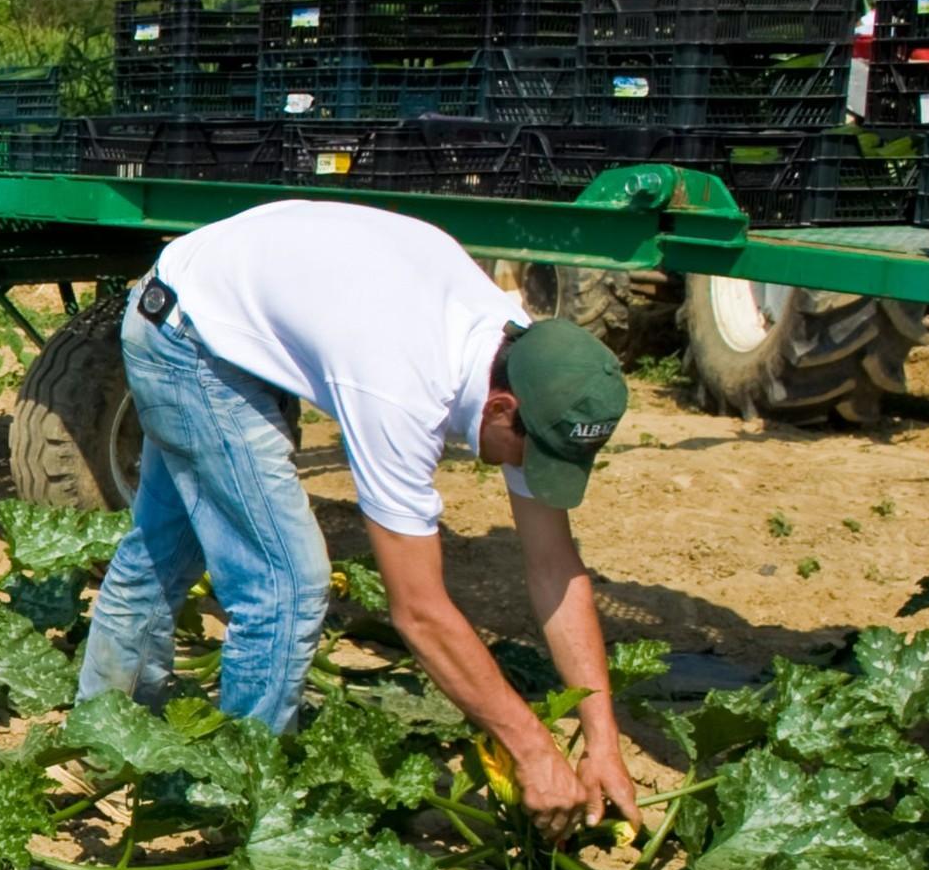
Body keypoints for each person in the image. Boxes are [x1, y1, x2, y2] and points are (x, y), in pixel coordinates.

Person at [73, 199, 642, 835]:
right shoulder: (403, 389)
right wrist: (534, 750)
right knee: (285, 585)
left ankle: (99, 743)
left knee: (164, 545)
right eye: (533, 458)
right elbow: (419, 612)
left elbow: (555, 568)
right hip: (187, 338)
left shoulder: (534, 367)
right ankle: (239, 814)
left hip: (222, 304)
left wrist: (603, 738)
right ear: (503, 409)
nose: (532, 476)